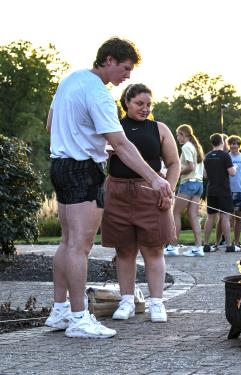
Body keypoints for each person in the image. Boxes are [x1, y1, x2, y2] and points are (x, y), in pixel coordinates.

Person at [44, 38, 172, 338]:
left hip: (60, 166)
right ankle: (78, 318)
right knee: (80, 246)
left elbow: (51, 124)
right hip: (82, 170)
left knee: (66, 242)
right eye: (125, 69)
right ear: (110, 60)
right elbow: (122, 144)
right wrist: (155, 178)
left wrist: (86, 137)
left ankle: (60, 311)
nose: (127, 76)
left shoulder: (70, 80)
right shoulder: (99, 93)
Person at [101, 83, 179, 323]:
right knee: (124, 250)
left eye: (148, 105)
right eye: (139, 104)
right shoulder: (113, 128)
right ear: (126, 102)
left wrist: (169, 191)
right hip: (118, 193)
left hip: (151, 193)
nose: (145, 109)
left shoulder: (160, 129)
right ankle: (126, 301)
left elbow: (174, 163)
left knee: (154, 249)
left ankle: (157, 302)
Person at [165, 124, 205, 256]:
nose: (177, 138)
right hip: (199, 185)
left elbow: (190, 167)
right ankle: (198, 248)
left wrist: (176, 172)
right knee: (193, 215)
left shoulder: (186, 147)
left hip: (188, 183)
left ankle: (173, 246)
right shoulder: (196, 147)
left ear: (183, 134)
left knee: (175, 213)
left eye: (178, 135)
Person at [202, 133, 237, 254]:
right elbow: (232, 173)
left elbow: (205, 175)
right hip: (223, 191)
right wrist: (235, 167)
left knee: (210, 217)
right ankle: (228, 245)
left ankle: (206, 245)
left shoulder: (207, 156)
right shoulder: (225, 156)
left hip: (211, 190)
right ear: (222, 141)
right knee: (225, 217)